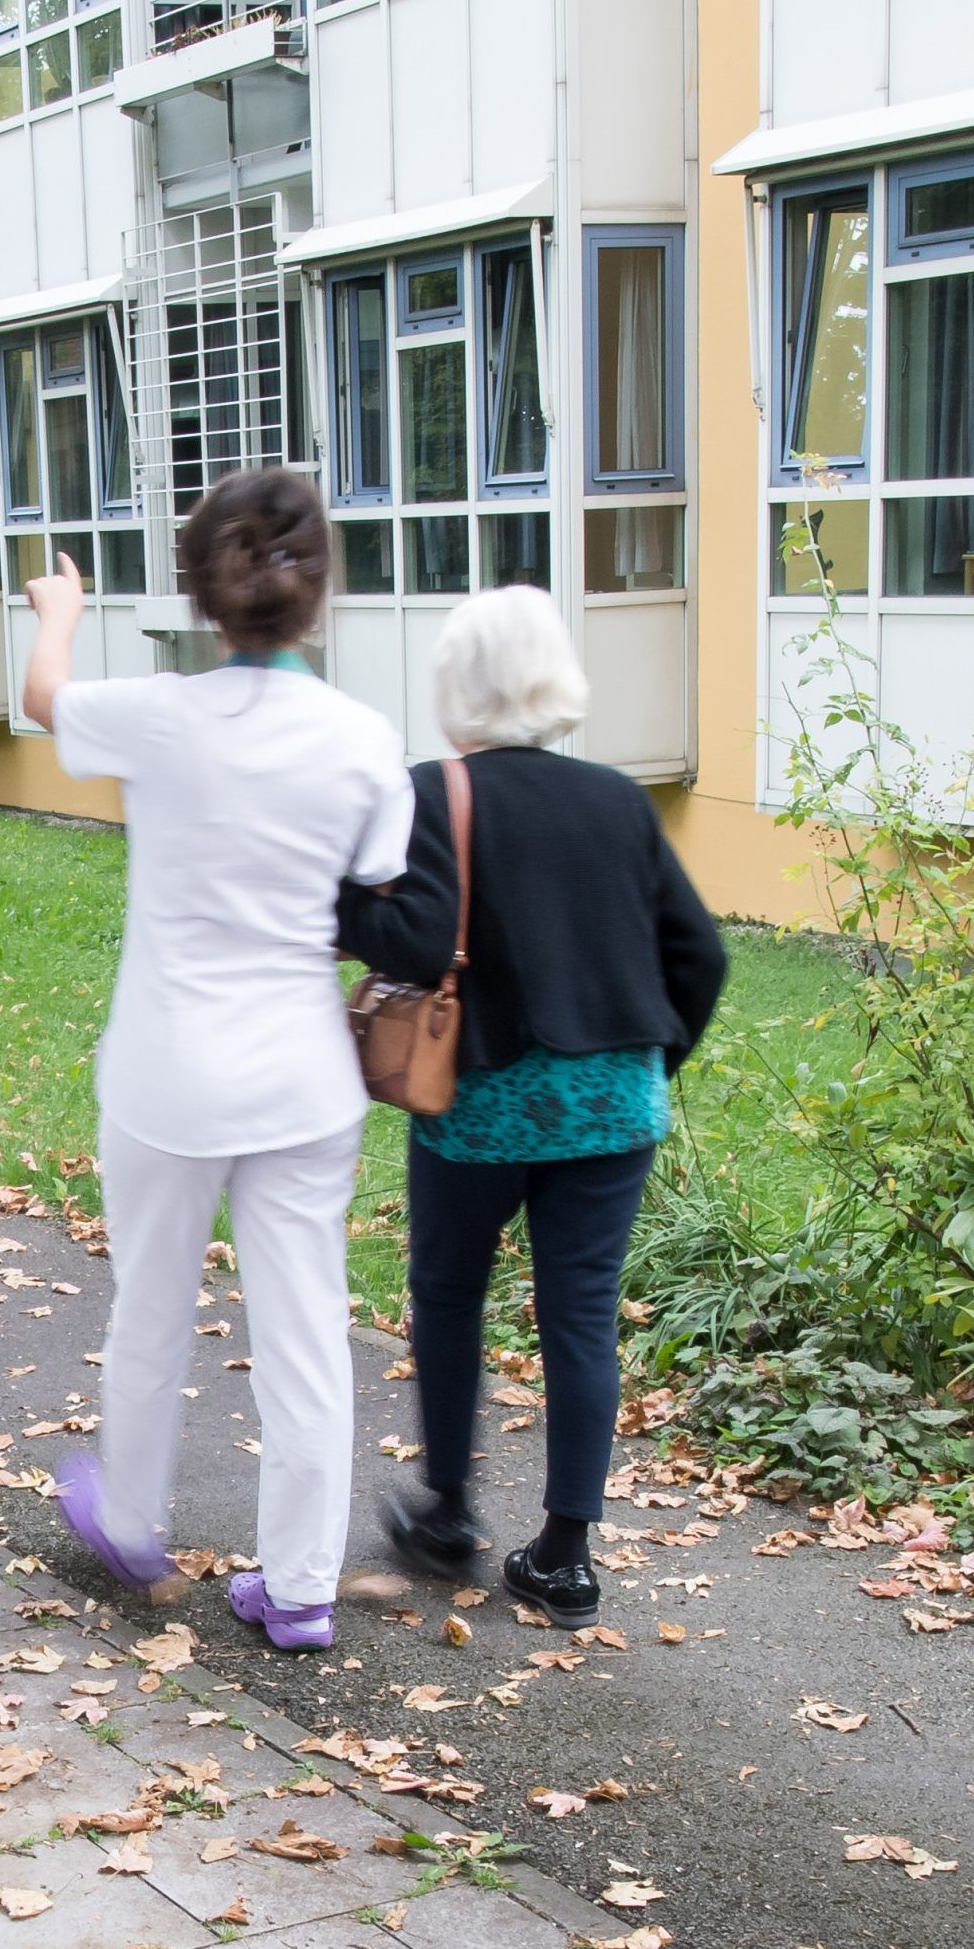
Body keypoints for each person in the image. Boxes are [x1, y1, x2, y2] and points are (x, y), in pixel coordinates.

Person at [29, 470, 414, 1652]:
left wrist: (61, 609)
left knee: (150, 1305)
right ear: (315, 594)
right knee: (306, 1331)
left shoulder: (160, 714)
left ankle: (134, 1522)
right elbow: (379, 887)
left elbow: (45, 699)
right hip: (303, 1078)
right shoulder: (364, 739)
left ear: (202, 595)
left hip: (166, 1073)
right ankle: (297, 1590)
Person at [339, 585, 727, 1631]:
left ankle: (451, 1512)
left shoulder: (437, 792)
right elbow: (702, 953)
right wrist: (651, 1060)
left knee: (451, 1291)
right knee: (581, 1314)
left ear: (456, 686)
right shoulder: (617, 799)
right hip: (614, 1099)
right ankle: (564, 1557)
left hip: (483, 1103)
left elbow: (415, 944)